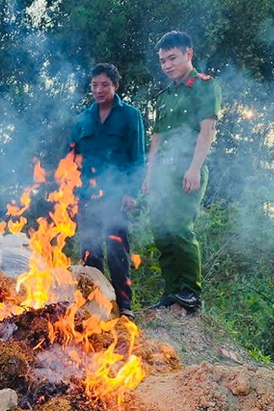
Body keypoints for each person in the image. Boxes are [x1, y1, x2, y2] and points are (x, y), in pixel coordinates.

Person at [143, 31, 222, 312]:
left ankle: (190, 291)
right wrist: (149, 175)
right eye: (162, 60)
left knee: (179, 228)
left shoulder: (203, 86)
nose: (166, 65)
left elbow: (207, 130)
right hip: (163, 174)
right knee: (161, 231)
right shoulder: (165, 96)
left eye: (172, 58)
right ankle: (172, 291)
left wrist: (194, 168)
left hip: (187, 170)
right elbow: (157, 139)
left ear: (189, 54)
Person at [70, 63, 145, 319]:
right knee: (90, 252)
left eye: (104, 84)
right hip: (86, 196)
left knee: (117, 250)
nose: (98, 90)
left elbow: (137, 157)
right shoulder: (82, 119)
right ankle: (96, 306)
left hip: (116, 194)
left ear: (115, 85)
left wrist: (132, 192)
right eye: (94, 85)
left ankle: (124, 307)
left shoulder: (130, 115)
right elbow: (72, 159)